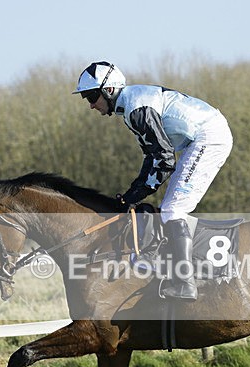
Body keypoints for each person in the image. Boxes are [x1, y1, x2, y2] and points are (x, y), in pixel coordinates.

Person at [73, 61, 233, 300]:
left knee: (173, 209)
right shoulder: (130, 107)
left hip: (209, 137)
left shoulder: (137, 109)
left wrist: (135, 195)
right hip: (200, 138)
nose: (91, 105)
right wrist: (130, 195)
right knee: (171, 208)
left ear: (108, 90)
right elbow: (152, 157)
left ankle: (185, 282)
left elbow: (165, 160)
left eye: (91, 97)